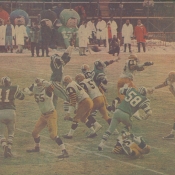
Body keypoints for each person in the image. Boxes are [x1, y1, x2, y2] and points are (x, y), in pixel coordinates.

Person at [23, 78, 69, 158]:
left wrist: (41, 80)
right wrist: (26, 90)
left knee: (53, 135)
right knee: (34, 133)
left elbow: (50, 86)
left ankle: (64, 151)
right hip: (43, 115)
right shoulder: (35, 89)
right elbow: (27, 90)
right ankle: (37, 148)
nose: (38, 86)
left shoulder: (47, 91)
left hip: (51, 114)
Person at [98, 85, 152, 151]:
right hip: (126, 114)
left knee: (110, 129)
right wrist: (145, 117)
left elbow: (121, 90)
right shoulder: (144, 99)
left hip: (117, 111)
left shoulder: (132, 90)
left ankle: (101, 143)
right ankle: (120, 137)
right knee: (129, 125)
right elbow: (149, 112)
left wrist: (125, 89)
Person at [0, 76, 25, 158]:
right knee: (11, 133)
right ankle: (9, 149)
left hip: (1, 112)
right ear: (10, 82)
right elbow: (22, 97)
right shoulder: (14, 88)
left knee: (1, 134)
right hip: (11, 112)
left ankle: (4, 146)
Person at [148, 71, 175, 139]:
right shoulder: (170, 80)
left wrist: (172, 91)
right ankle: (172, 133)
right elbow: (163, 84)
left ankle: (172, 134)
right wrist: (153, 88)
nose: (169, 79)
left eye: (170, 77)